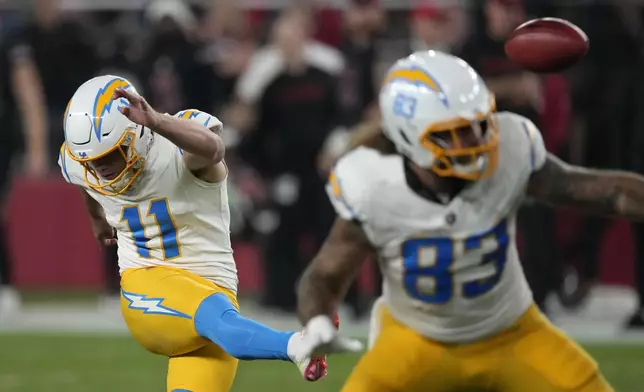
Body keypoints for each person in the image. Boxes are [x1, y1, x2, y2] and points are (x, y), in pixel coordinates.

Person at [295, 51, 625, 392]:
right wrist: (318, 321)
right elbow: (323, 275)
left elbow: (609, 193)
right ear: (410, 136)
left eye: (479, 124)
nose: (477, 141)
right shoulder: (374, 185)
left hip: (511, 334)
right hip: (415, 340)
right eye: (456, 132)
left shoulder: (510, 151)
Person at [57, 75, 330, 391]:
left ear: (135, 133)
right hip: (146, 283)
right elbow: (82, 179)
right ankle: (297, 345)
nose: (101, 168)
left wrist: (157, 121)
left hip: (213, 293)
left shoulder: (176, 146)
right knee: (218, 320)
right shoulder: (80, 163)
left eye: (109, 155)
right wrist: (97, 218)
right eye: (92, 161)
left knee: (221, 324)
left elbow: (214, 149)